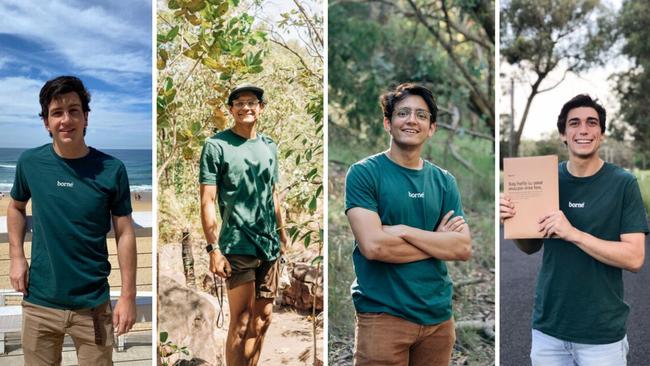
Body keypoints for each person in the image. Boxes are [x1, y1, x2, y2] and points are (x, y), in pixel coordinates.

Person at [500, 94, 648, 366]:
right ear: (563, 134)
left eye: (592, 123)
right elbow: (530, 246)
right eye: (575, 123)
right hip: (549, 328)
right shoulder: (544, 178)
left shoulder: (623, 184)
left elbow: (635, 258)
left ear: (601, 134)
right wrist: (512, 221)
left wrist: (573, 233)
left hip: (602, 334)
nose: (583, 130)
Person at [7, 76, 137, 365]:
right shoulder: (30, 163)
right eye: (57, 112)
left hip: (93, 307)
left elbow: (125, 231)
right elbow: (15, 207)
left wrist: (128, 296)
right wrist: (16, 256)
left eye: (74, 110)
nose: (66, 120)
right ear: (46, 122)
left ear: (86, 117)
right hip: (40, 302)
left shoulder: (112, 169)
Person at [345, 83, 472, 366]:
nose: (412, 120)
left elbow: (462, 247)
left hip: (438, 318)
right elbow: (374, 247)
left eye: (421, 115)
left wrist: (403, 231)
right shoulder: (364, 173)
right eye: (403, 113)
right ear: (387, 123)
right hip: (384, 315)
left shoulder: (444, 181)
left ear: (432, 128)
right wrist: (438, 243)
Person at [199, 83, 288, 366]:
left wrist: (283, 234)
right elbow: (207, 201)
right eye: (239, 103)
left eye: (252, 102)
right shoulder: (216, 146)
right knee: (241, 320)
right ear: (231, 110)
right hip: (236, 243)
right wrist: (214, 248)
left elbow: (272, 193)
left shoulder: (269, 146)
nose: (246, 107)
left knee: (262, 320)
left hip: (269, 245)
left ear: (261, 109)